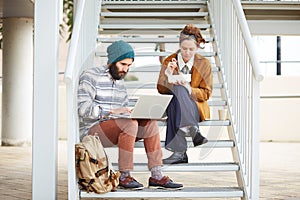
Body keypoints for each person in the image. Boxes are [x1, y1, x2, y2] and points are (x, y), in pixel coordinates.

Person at [77, 40, 183, 190]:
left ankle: (157, 176)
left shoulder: (120, 84)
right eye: (123, 64)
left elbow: (124, 112)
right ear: (112, 61)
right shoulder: (90, 76)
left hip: (118, 128)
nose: (126, 70)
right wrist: (111, 111)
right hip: (92, 131)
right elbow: (83, 108)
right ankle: (124, 176)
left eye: (129, 66)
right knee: (129, 124)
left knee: (149, 123)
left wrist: (136, 113)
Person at [157, 24, 213, 164]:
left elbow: (206, 93)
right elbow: (160, 89)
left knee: (181, 90)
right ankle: (192, 129)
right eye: (184, 49)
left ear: (197, 47)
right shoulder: (170, 60)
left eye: (191, 49)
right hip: (175, 105)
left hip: (195, 106)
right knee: (177, 91)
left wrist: (188, 88)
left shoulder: (204, 63)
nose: (187, 52)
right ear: (179, 45)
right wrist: (168, 76)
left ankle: (179, 152)